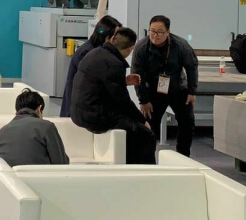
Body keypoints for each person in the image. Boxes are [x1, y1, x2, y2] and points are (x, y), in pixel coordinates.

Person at [71, 27, 156, 164]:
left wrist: (123, 81)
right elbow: (123, 101)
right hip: (95, 116)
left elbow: (98, 84)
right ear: (131, 49)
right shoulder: (114, 64)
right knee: (146, 135)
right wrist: (142, 120)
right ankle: (142, 172)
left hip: (79, 111)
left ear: (111, 39)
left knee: (134, 127)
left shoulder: (95, 53)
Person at [131, 15, 198, 156]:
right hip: (153, 91)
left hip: (177, 88)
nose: (155, 35)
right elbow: (137, 76)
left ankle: (183, 156)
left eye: (160, 32)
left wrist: (192, 92)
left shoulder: (180, 45)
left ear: (168, 32)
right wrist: (143, 100)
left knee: (187, 121)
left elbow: (191, 67)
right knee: (149, 125)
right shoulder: (141, 48)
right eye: (152, 31)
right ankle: (147, 159)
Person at [60, 15, 121, 117]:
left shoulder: (99, 50)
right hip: (79, 108)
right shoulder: (87, 53)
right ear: (107, 37)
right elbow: (95, 81)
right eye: (115, 36)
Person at [0, 89, 69, 167]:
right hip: (38, 174)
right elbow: (61, 163)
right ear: (39, 109)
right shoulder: (46, 127)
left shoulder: (1, 132)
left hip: (7, 174)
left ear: (16, 112)